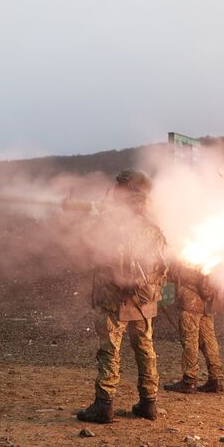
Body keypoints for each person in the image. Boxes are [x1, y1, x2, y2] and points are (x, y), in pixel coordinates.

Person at [75, 168, 168, 424]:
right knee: (145, 349)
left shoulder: (115, 223)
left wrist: (95, 218)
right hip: (144, 299)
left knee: (109, 350)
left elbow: (90, 246)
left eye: (120, 186)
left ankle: (104, 405)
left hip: (115, 299)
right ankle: (149, 403)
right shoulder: (152, 227)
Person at [163, 264, 224, 393]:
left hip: (191, 303)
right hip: (208, 305)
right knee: (209, 341)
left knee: (190, 339)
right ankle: (216, 379)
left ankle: (189, 380)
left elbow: (175, 273)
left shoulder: (190, 251)